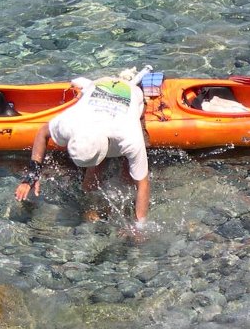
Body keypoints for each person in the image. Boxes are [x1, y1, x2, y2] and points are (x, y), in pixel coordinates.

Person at [14, 74, 150, 226]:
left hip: (131, 93)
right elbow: (42, 133)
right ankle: (90, 214)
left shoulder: (129, 136)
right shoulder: (69, 123)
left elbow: (143, 184)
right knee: (89, 184)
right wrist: (32, 175)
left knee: (128, 177)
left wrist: (139, 227)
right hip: (100, 84)